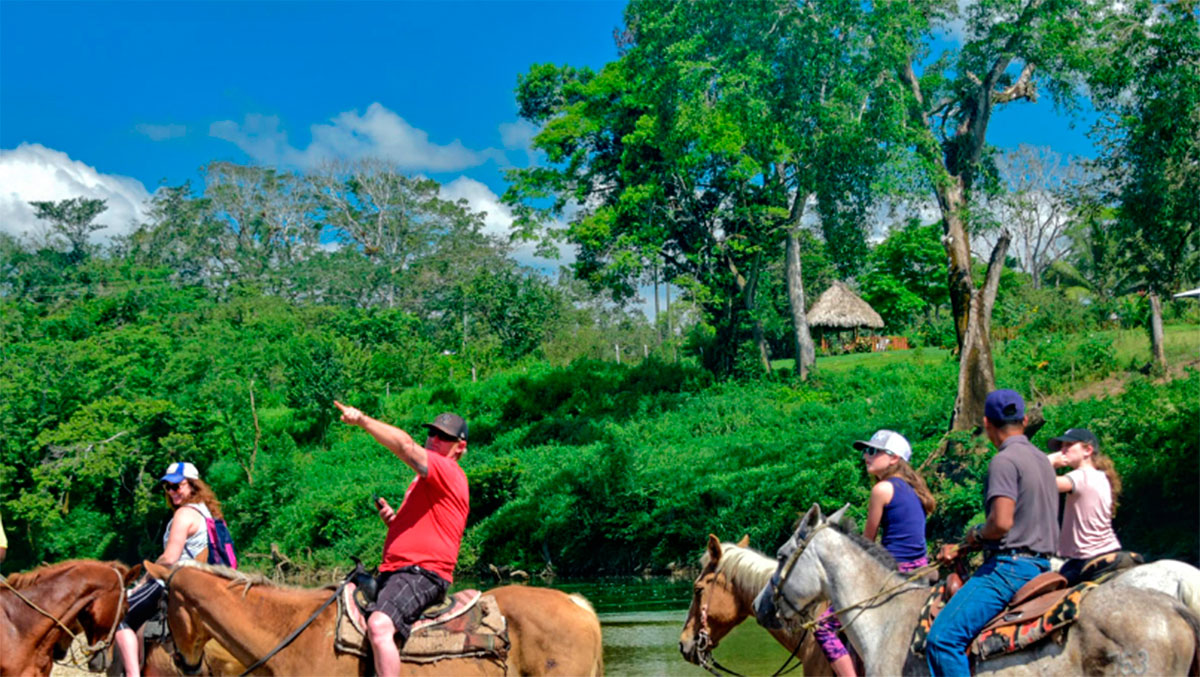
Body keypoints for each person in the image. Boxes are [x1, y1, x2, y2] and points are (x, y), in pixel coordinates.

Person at [926, 390, 1059, 677]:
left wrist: (975, 533)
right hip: (1044, 565)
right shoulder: (1042, 461)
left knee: (942, 640)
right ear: (1024, 420)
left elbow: (1001, 523)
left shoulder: (1003, 461)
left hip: (1009, 569)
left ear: (987, 423)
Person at [334, 401, 470, 677]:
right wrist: (393, 522)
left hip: (423, 573)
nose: (434, 440)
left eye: (444, 437)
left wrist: (362, 420)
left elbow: (406, 446)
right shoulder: (424, 483)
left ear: (460, 447)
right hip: (399, 570)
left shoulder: (447, 470)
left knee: (380, 626)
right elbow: (430, 527)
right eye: (432, 434)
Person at [813, 430, 935, 677]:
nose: (865, 457)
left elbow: (866, 546)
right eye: (866, 451)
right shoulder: (915, 490)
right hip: (921, 569)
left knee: (823, 626)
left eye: (873, 451)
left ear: (893, 458)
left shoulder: (882, 490)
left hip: (893, 575)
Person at [115, 462, 227, 677]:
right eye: (167, 487)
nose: (171, 491)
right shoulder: (207, 513)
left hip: (176, 578)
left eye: (177, 486)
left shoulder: (184, 514)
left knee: (122, 620)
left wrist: (142, 582)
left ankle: (132, 674)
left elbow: (170, 558)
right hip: (202, 578)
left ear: (194, 486)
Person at [1045, 428, 1123, 584]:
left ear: (1087, 450)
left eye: (1068, 445)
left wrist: (1050, 461)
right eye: (1061, 446)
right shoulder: (1102, 476)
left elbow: (1037, 480)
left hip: (1087, 556)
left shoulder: (1080, 476)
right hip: (1110, 550)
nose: (1062, 450)